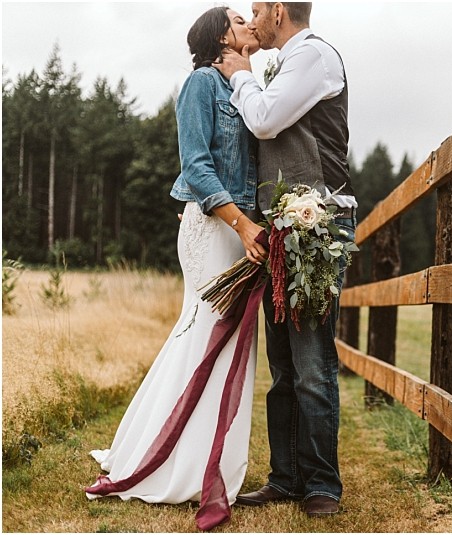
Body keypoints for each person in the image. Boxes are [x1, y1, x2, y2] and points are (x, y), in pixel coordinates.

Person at [85, 7, 267, 531]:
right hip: (216, 228)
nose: (248, 21)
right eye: (238, 17)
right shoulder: (201, 85)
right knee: (205, 332)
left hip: (242, 230)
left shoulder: (244, 86)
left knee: (225, 341)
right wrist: (241, 225)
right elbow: (197, 164)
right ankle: (168, 460)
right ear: (219, 36)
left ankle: (201, 458)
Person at [214, 1, 356, 518]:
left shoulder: (312, 57)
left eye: (257, 9)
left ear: (278, 9)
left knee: (313, 363)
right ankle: (286, 476)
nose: (252, 19)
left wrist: (243, 74)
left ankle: (323, 484)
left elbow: (267, 121)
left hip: (319, 222)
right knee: (284, 366)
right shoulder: (289, 61)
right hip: (284, 222)